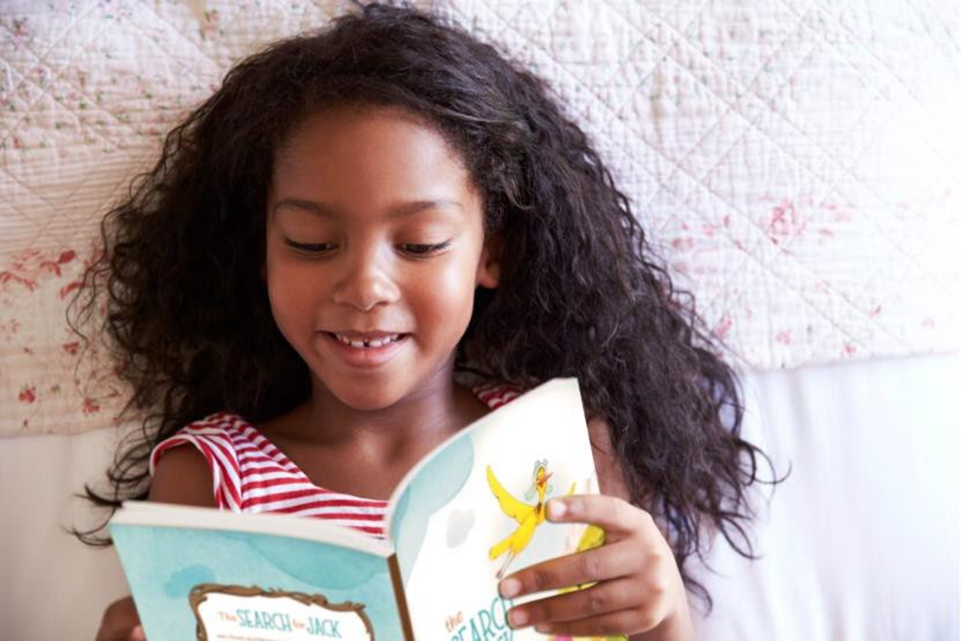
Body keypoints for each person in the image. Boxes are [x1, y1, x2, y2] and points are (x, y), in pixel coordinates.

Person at [70, 3, 782, 639]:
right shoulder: (211, 478)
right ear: (259, 252)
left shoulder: (564, 454)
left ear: (491, 251)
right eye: (313, 244)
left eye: (418, 244)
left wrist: (662, 616)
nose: (365, 286)